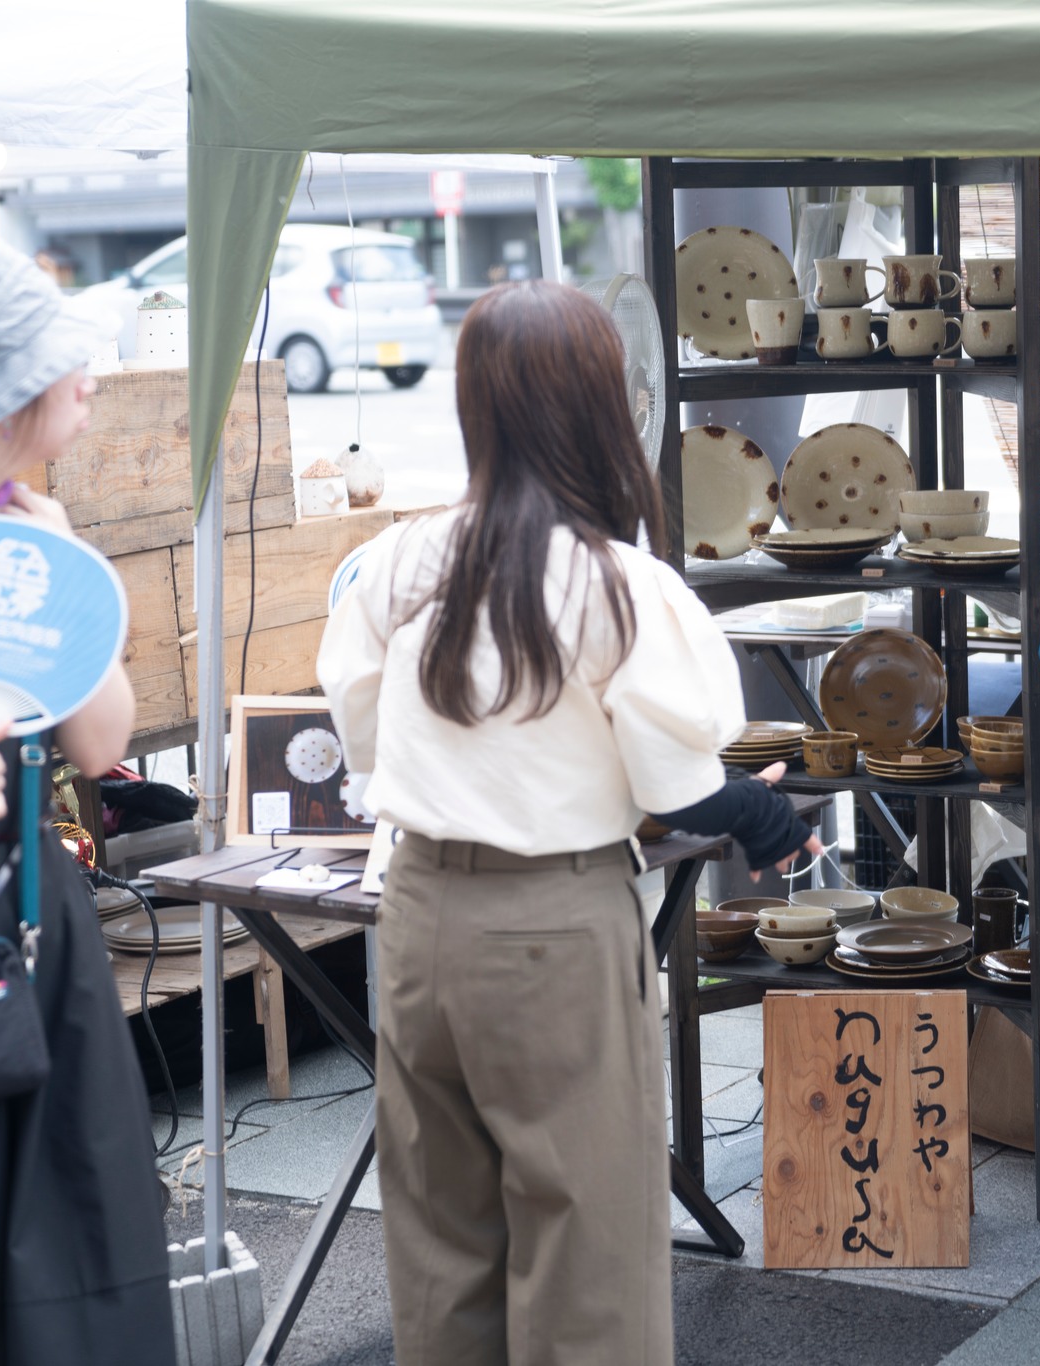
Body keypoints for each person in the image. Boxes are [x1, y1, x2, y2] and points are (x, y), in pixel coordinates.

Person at [318, 279, 817, 1366]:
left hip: (414, 917)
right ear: (602, 407)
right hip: (553, 927)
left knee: (441, 1247)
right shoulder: (621, 585)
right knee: (585, 1254)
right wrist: (771, 816)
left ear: (474, 407)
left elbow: (365, 738)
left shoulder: (398, 563)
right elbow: (679, 786)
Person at [0, 235, 173, 1362]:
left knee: (76, 1233)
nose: (87, 372)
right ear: (4, 387)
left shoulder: (28, 530)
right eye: (61, 354)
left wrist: (68, 565)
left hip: (33, 920)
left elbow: (101, 738)